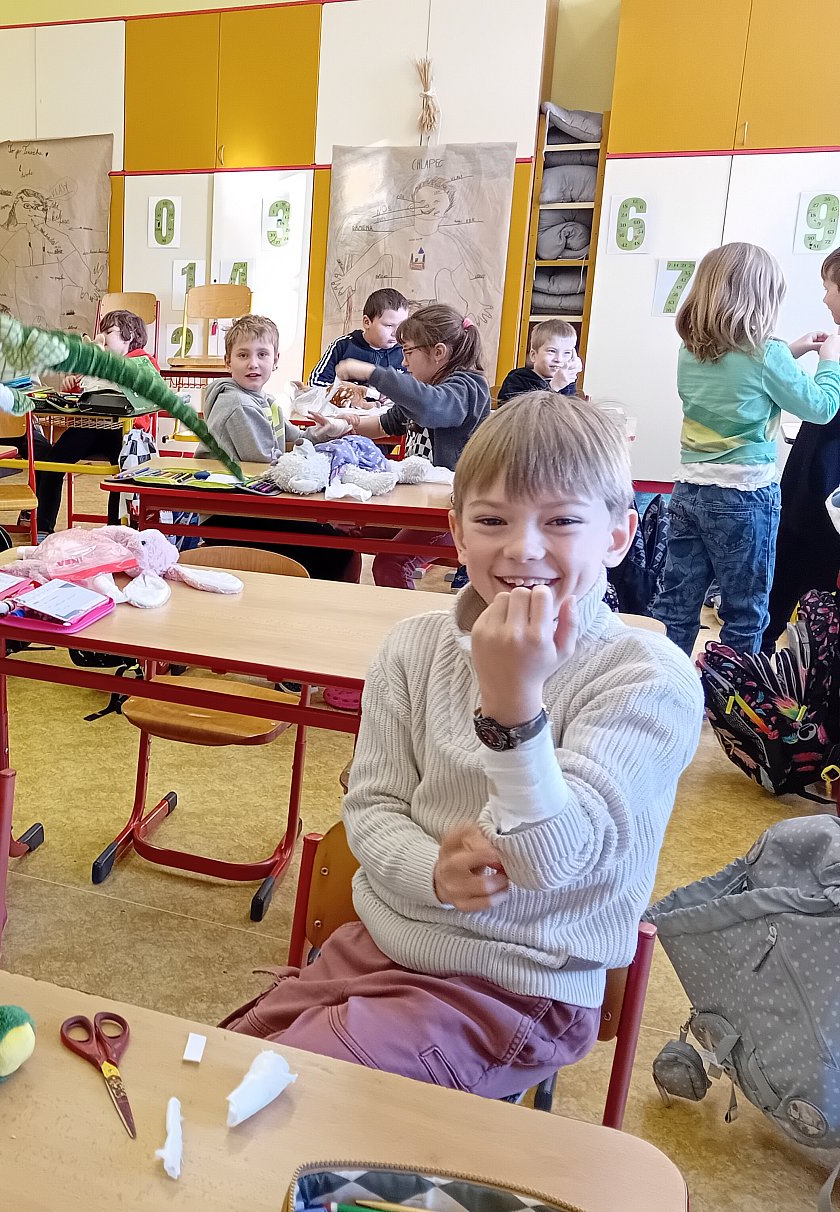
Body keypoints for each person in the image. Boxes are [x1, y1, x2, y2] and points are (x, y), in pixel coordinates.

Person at [222, 392, 703, 1098]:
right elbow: (373, 805)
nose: (523, 548)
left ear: (617, 536)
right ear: (457, 532)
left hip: (516, 987)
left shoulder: (646, 677)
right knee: (218, 1074)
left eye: (562, 520)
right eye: (492, 520)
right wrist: (432, 873)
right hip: (379, 947)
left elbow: (550, 862)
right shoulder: (413, 648)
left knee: (293, 1099)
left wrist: (513, 705)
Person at [651, 242, 840, 655]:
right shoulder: (766, 354)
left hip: (689, 490)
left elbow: (742, 379)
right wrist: (830, 361)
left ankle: (667, 680)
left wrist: (792, 350)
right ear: (761, 299)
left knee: (678, 603)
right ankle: (734, 687)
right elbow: (822, 408)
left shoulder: (691, 350)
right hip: (744, 497)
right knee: (746, 611)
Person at [318, 302, 491, 589]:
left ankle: (405, 619)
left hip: (454, 513)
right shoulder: (425, 391)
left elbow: (430, 407)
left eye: (408, 352)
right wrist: (345, 425)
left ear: (438, 352)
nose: (404, 362)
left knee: (391, 563)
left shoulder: (468, 387)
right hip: (420, 504)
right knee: (343, 530)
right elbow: (384, 424)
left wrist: (373, 373)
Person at [202, 314, 357, 580]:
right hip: (229, 510)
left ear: (275, 360)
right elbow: (265, 462)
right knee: (336, 552)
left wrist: (326, 431)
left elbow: (295, 438)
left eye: (262, 354)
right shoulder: (238, 404)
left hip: (254, 502)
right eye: (243, 355)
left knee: (339, 545)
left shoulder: (265, 401)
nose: (253, 363)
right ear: (228, 361)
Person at [764, 248, 840, 652]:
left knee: (806, 577)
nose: (825, 298)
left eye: (828, 288)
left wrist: (829, 364)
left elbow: (824, 409)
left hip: (821, 489)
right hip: (810, 481)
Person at [31, 308, 162, 532]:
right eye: (101, 332)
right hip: (91, 428)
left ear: (129, 336)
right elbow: (83, 396)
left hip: (125, 433)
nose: (101, 337)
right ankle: (43, 527)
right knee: (52, 462)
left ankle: (115, 529)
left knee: (122, 475)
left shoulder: (144, 361)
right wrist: (73, 384)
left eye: (109, 332)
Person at [307, 287, 408, 388]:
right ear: (367, 322)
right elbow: (315, 384)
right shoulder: (343, 346)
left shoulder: (405, 352)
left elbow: (414, 391)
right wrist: (349, 390)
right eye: (389, 325)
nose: (396, 333)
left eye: (401, 326)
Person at [498, 318, 582, 402]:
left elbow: (568, 409)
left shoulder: (567, 383)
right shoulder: (517, 379)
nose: (559, 359)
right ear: (533, 355)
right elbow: (517, 409)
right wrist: (554, 387)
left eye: (567, 353)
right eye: (552, 351)